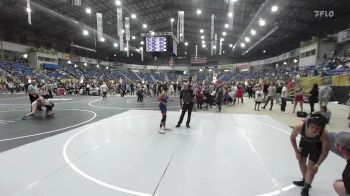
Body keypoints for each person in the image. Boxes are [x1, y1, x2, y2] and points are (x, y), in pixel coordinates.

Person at [290, 113, 330, 196]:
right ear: (307, 123)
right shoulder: (300, 127)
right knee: (301, 161)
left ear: (322, 128)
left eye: (317, 128)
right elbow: (292, 138)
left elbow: (325, 151)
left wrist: (318, 165)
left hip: (316, 146)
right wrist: (296, 152)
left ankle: (306, 187)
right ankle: (305, 180)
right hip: (304, 143)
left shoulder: (324, 134)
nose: (314, 130)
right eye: (312, 127)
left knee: (311, 167)